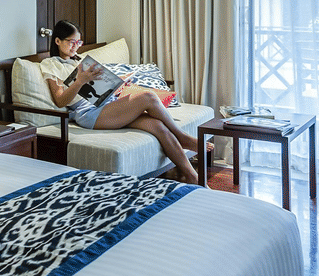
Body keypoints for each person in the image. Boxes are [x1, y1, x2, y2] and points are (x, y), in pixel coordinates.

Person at [39, 20, 205, 183]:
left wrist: (118, 83)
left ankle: (194, 178)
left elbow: (101, 85)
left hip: (108, 103)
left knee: (158, 127)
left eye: (78, 42)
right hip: (89, 113)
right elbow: (60, 100)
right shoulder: (50, 64)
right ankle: (183, 137)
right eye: (71, 42)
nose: (76, 46)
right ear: (58, 41)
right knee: (149, 96)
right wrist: (79, 81)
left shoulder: (81, 59)